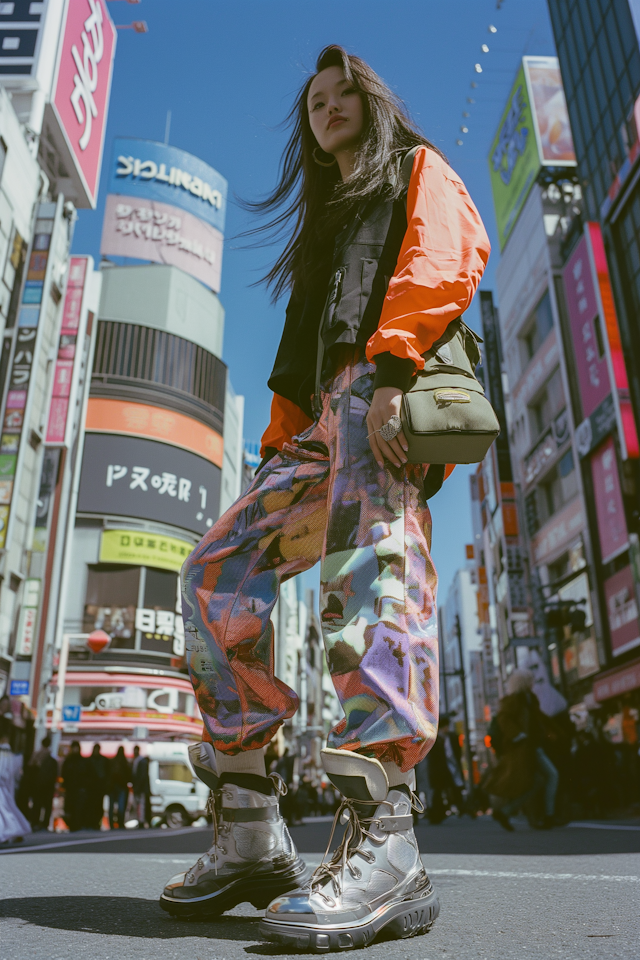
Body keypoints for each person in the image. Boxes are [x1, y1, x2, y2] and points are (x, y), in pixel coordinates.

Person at [160, 44, 489, 948]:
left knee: (370, 570)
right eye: (314, 101)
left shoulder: (417, 169)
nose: (328, 107)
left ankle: (388, 839)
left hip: (381, 399)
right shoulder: (323, 221)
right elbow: (296, 356)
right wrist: (275, 450)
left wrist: (390, 372)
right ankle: (253, 832)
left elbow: (446, 252)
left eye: (345, 94)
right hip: (312, 430)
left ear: (373, 104)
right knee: (212, 572)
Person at [484, 670, 559, 831]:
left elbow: (538, 718)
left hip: (531, 747)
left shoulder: (529, 699)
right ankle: (548, 815)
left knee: (536, 782)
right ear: (524, 682)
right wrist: (519, 735)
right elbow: (505, 719)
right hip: (525, 749)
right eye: (530, 680)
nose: (533, 683)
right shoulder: (515, 700)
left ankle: (507, 812)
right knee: (551, 776)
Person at [0, 720, 31, 844]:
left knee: (4, 811)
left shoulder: (3, 752)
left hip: (2, 786)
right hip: (5, 786)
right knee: (7, 810)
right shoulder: (10, 754)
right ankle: (10, 832)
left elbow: (3, 772)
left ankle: (8, 832)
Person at [27, 735, 58, 831]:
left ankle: (35, 822)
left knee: (37, 804)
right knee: (47, 806)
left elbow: (30, 770)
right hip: (48, 786)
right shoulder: (51, 758)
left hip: (37, 785)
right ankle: (45, 824)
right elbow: (55, 773)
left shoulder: (36, 755)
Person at [61, 740, 89, 832]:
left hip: (79, 787)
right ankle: (73, 824)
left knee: (78, 807)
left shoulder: (81, 761)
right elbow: (64, 774)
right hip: (71, 787)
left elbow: (86, 774)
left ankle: (77, 824)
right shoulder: (69, 761)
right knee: (71, 806)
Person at [86, 743, 108, 830]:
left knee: (97, 806)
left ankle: (96, 822)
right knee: (93, 806)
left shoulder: (100, 760)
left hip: (98, 787)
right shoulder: (92, 761)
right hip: (93, 787)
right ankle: (93, 822)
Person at [107, 745, 131, 829]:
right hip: (121, 786)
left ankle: (111, 824)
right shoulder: (124, 762)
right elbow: (129, 775)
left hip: (113, 786)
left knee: (111, 806)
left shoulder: (113, 761)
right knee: (121, 806)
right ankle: (120, 823)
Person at [131, 745, 150, 828]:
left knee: (141, 805)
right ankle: (140, 820)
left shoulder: (140, 761)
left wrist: (137, 787)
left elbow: (141, 776)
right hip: (139, 787)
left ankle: (141, 821)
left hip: (140, 788)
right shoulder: (137, 761)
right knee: (139, 805)